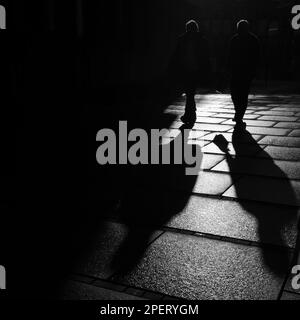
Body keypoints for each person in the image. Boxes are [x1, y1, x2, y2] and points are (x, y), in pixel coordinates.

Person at [170, 20, 211, 124]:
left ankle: (190, 114)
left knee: (189, 93)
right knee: (190, 93)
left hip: (189, 69)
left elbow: (176, 55)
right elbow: (206, 57)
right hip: (192, 69)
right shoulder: (201, 40)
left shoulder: (183, 39)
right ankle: (190, 113)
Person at [228, 20, 260, 129]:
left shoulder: (235, 39)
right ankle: (239, 113)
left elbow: (229, 56)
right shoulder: (252, 39)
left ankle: (239, 113)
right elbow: (257, 56)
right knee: (242, 94)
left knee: (237, 94)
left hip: (239, 71)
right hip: (244, 71)